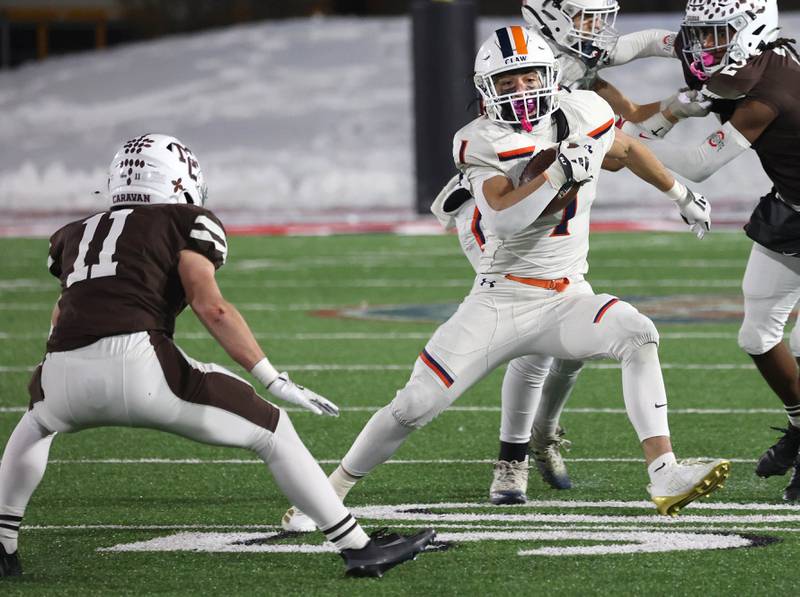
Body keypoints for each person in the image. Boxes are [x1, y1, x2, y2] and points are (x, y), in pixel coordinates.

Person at [282, 27, 729, 533]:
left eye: (528, 77)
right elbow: (503, 219)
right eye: (507, 81)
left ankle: (664, 473)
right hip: (502, 297)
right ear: (486, 88)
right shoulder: (481, 139)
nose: (520, 90)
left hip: (567, 294)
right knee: (414, 405)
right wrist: (558, 174)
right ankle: (330, 492)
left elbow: (625, 151)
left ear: (550, 77)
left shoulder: (583, 110)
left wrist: (681, 195)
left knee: (638, 332)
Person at [0, 134, 435, 579]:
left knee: (35, 425)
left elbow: (63, 310)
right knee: (273, 429)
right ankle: (357, 546)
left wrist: (60, 373)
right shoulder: (182, 220)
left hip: (60, 368)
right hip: (140, 364)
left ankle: (3, 542)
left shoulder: (76, 232)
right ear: (178, 179)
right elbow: (213, 307)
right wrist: (271, 377)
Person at [431, 0, 714, 505]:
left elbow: (626, 131)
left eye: (600, 16)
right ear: (552, 18)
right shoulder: (524, 66)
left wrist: (677, 112)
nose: (597, 29)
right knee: (536, 333)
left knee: (570, 331)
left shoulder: (576, 67)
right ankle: (513, 458)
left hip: (551, 207)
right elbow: (522, 159)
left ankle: (540, 435)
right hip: (497, 217)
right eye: (585, 17)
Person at [639, 0, 800, 503]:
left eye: (716, 34)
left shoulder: (769, 91)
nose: (703, 46)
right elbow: (650, 46)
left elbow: (697, 163)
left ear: (752, 31)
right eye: (701, 34)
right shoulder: (752, 63)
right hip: (792, 209)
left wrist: (612, 143)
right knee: (756, 336)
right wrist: (661, 111)